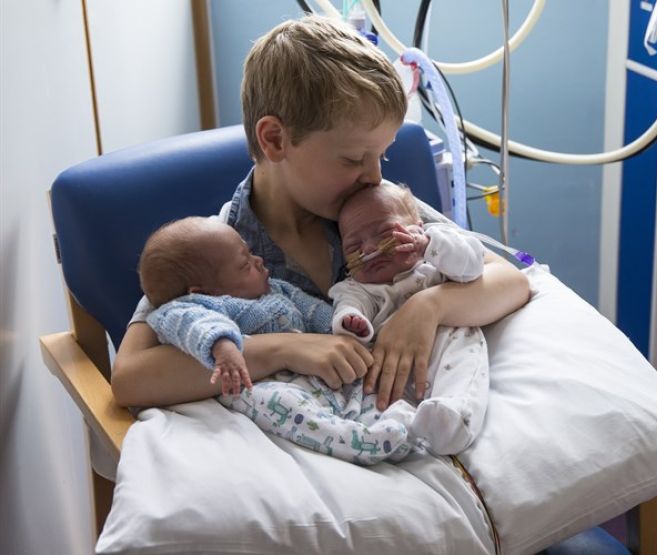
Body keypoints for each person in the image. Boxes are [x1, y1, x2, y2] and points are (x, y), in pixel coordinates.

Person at [111, 15, 530, 413]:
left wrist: (428, 307)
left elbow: (508, 281)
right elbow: (131, 376)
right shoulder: (220, 248)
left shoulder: (370, 209)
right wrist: (285, 348)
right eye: (353, 159)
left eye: (381, 155)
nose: (374, 175)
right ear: (275, 139)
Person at [138, 216, 413, 465]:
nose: (259, 261)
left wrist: (347, 326)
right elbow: (196, 324)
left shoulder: (278, 290)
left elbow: (314, 311)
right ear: (203, 291)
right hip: (257, 383)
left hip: (311, 375)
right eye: (246, 264)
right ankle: (358, 443)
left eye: (252, 253)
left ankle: (397, 432)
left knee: (358, 388)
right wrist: (223, 346)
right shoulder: (191, 306)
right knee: (287, 407)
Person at [329, 182, 489, 454]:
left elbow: (473, 266)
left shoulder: (433, 259)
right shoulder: (358, 287)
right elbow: (347, 305)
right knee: (374, 388)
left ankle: (454, 418)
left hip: (445, 341)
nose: (369, 249)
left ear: (417, 226)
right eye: (354, 246)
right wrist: (351, 320)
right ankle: (395, 426)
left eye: (385, 233)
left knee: (464, 357)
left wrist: (428, 245)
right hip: (391, 362)